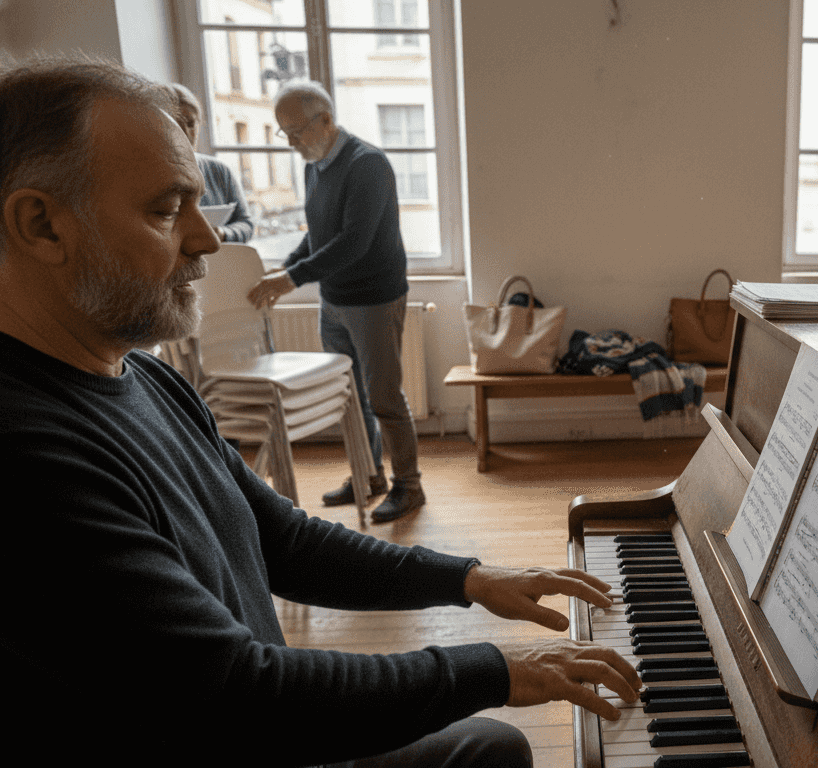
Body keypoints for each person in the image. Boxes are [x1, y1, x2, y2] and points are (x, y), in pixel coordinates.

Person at [0, 57, 639, 767]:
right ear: (41, 225)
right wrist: (497, 669)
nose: (207, 240)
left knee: (489, 749)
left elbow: (285, 542)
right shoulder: (24, 455)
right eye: (163, 209)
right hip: (250, 735)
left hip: (266, 736)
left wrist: (468, 580)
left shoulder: (149, 380)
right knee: (489, 750)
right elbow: (239, 695)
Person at [247, 80, 422, 523]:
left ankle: (409, 486)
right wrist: (285, 267)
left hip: (375, 300)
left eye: (296, 131)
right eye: (282, 133)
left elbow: (353, 243)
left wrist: (291, 278)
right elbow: (318, 236)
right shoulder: (314, 164)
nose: (290, 142)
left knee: (383, 396)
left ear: (325, 119)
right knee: (351, 398)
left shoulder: (368, 164)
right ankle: (368, 478)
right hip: (335, 299)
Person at [163, 81, 255, 243]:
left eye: (191, 123)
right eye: (175, 124)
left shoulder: (219, 170)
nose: (184, 132)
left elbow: (246, 223)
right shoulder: (147, 176)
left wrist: (223, 233)